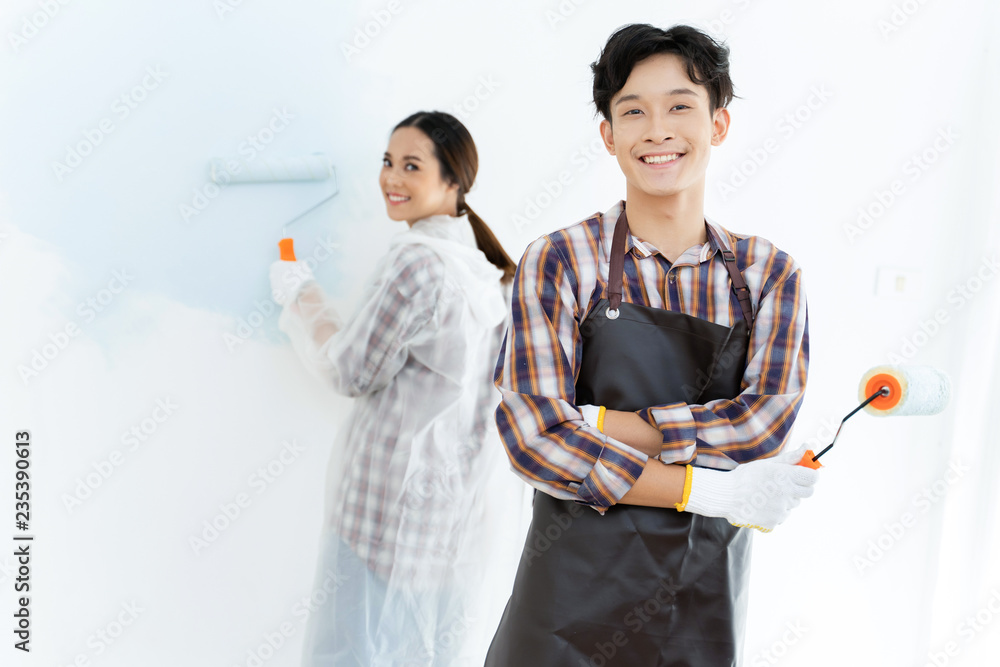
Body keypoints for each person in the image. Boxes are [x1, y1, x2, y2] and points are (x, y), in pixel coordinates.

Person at [484, 24, 819, 666]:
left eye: (680, 106)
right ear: (609, 135)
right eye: (633, 110)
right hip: (565, 608)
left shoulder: (768, 275)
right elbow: (534, 439)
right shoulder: (557, 260)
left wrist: (607, 424)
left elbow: (760, 427)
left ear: (718, 124)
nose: (657, 129)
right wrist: (705, 491)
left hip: (701, 602)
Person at [269, 111, 521, 667]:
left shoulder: (417, 263)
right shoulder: (490, 274)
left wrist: (302, 296)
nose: (392, 178)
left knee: (349, 654)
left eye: (411, 165)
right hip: (447, 519)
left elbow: (350, 372)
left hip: (379, 508)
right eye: (387, 162)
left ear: (454, 181)